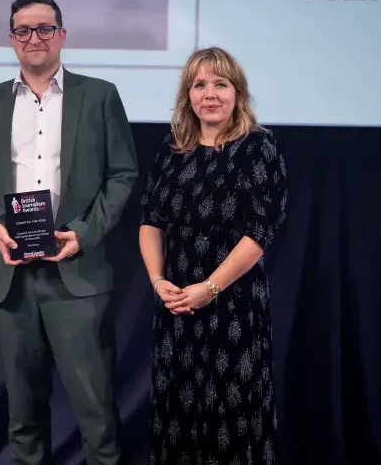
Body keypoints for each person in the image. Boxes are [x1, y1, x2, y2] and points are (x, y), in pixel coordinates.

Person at [0, 0, 139, 465]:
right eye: (23, 30)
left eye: (44, 29)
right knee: (23, 419)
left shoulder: (99, 95)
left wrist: (83, 232)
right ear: (11, 38)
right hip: (9, 276)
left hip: (76, 275)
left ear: (62, 35)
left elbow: (123, 175)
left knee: (96, 415)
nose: (34, 38)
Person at [138, 47, 288, 464]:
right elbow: (150, 220)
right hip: (177, 304)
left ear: (237, 93)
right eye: (199, 85)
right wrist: (157, 282)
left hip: (234, 304)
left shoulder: (259, 148)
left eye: (221, 84)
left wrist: (211, 287)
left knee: (235, 415)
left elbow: (260, 230)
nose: (210, 94)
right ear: (188, 96)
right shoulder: (173, 149)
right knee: (178, 414)